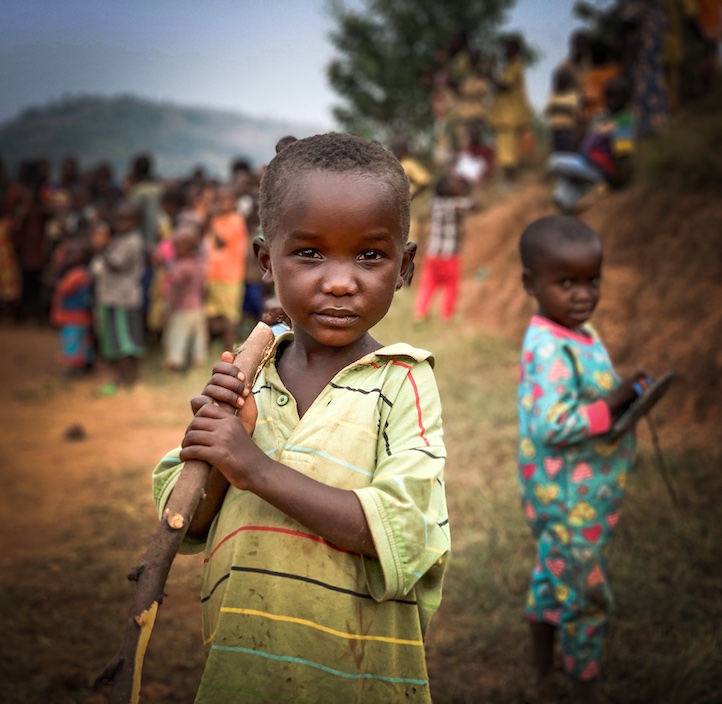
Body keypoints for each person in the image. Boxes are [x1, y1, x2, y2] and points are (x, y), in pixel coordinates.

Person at [151, 133, 450, 703]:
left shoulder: (402, 382)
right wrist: (222, 449)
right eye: (310, 253)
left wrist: (254, 468)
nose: (339, 281)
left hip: (358, 682)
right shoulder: (247, 375)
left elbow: (402, 532)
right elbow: (181, 522)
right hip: (241, 675)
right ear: (267, 260)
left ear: (405, 266)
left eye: (370, 255)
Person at [517, 215, 648, 704]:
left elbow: (587, 398)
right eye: (566, 282)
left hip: (575, 493)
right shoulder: (551, 347)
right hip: (570, 498)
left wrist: (626, 396)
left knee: (554, 573)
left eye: (592, 280)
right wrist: (614, 403)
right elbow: (552, 425)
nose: (583, 294)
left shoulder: (576, 331)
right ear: (531, 283)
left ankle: (541, 675)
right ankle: (584, 688)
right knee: (585, 595)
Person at [548, 76, 636, 214]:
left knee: (554, 163)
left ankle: (597, 185)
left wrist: (617, 180)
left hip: (599, 169)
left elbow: (623, 156)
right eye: (608, 97)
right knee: (561, 198)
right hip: (587, 162)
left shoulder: (624, 122)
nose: (610, 101)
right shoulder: (603, 116)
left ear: (625, 99)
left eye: (615, 98)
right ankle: (579, 196)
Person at [91, 199, 145, 393]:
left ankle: (128, 378)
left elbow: (117, 264)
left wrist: (103, 247)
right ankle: (125, 377)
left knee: (125, 340)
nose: (121, 224)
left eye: (126, 220)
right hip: (114, 297)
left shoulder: (132, 241)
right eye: (119, 220)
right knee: (118, 339)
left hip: (124, 298)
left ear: (135, 221)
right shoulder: (120, 239)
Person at [413, 172, 478, 323]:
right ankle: (446, 316)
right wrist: (474, 185)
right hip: (450, 255)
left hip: (432, 253)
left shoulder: (433, 203)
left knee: (428, 284)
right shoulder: (457, 204)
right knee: (450, 286)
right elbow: (474, 204)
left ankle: (420, 313)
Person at [205, 185, 248, 351]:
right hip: (213, 275)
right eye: (219, 200)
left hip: (230, 277)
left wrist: (210, 220)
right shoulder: (216, 219)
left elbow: (221, 241)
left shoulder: (235, 220)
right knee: (211, 315)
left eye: (227, 200)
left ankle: (229, 350)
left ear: (234, 202)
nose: (223, 203)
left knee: (229, 317)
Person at [162, 222, 208, 372]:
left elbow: (175, 290)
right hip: (197, 306)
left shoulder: (182, 267)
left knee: (179, 336)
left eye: (176, 247)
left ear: (186, 247)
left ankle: (176, 362)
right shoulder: (199, 263)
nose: (174, 250)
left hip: (182, 308)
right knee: (197, 337)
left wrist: (170, 309)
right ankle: (198, 359)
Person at [488, 33, 533, 182]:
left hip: (510, 114)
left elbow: (504, 86)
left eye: (509, 48)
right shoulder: (508, 67)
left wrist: (490, 71)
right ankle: (510, 177)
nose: (505, 51)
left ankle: (510, 178)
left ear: (516, 50)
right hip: (504, 114)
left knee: (508, 147)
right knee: (506, 146)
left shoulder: (516, 65)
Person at [50, 236, 94, 377]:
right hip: (80, 316)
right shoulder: (85, 272)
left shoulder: (76, 274)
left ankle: (73, 367)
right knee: (81, 341)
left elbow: (63, 288)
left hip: (73, 316)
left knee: (72, 341)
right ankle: (84, 364)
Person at [543, 66, 585, 154]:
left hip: (567, 132)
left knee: (566, 155)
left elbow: (578, 114)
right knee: (556, 156)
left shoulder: (573, 95)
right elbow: (545, 112)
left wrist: (558, 108)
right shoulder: (553, 94)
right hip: (554, 131)